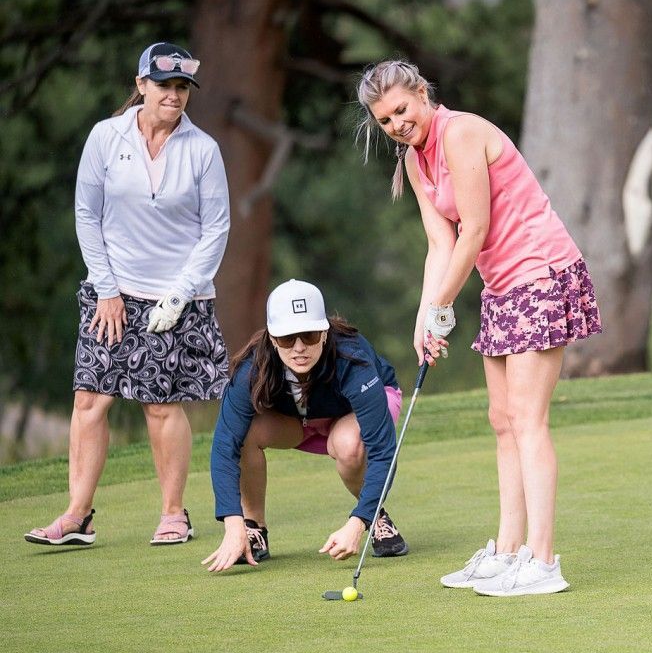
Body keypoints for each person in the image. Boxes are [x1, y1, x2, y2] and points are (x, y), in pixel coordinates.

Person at [357, 59, 601, 596]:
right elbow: (440, 244)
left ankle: (542, 561)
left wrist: (443, 306)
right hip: (500, 285)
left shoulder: (461, 133)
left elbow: (475, 229)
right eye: (385, 119)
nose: (397, 123)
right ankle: (507, 551)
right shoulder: (415, 161)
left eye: (401, 109)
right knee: (502, 420)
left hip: (540, 273)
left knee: (528, 419)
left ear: (422, 94)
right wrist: (425, 316)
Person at [25, 42, 230, 549]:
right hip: (111, 293)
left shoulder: (202, 149)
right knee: (90, 400)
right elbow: (86, 215)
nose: (174, 95)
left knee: (160, 405)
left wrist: (178, 296)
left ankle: (174, 514)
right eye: (164, 85)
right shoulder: (105, 136)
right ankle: (77, 516)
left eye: (182, 87)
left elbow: (216, 230)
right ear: (141, 85)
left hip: (177, 297)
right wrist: (106, 290)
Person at [203, 280, 411, 572]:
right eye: (287, 338)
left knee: (349, 444)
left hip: (352, 415)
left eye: (310, 335)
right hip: (297, 420)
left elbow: (383, 450)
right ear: (272, 338)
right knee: (245, 433)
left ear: (324, 333)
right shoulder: (252, 368)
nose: (299, 348)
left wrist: (358, 521)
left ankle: (375, 517)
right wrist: (232, 523)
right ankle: (253, 528)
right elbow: (225, 445)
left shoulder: (353, 359)